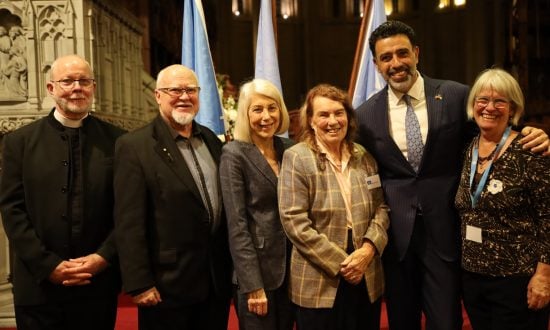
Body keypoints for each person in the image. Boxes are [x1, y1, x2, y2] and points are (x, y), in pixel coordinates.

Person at [355, 20, 550, 330]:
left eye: (402, 53)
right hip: (396, 240)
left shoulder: (457, 96)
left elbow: (492, 134)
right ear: (377, 65)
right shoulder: (364, 115)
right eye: (386, 57)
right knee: (400, 321)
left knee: (446, 322)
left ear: (416, 53)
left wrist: (530, 133)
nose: (396, 63)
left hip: (446, 233)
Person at [0, 54, 125, 330]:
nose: (76, 87)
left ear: (93, 87)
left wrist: (103, 257)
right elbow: (12, 210)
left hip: (97, 285)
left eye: (84, 81)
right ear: (51, 88)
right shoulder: (18, 143)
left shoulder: (118, 142)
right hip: (38, 286)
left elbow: (127, 210)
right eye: (67, 81)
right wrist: (48, 265)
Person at [113, 64, 232, 330]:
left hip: (214, 282)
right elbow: (128, 223)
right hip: (166, 285)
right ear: (158, 95)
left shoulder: (212, 140)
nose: (184, 96)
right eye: (175, 90)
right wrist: (139, 283)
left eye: (191, 90)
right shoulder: (135, 147)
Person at [278, 84, 389, 330]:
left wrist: (369, 250)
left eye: (339, 113)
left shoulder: (363, 156)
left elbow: (381, 208)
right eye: (323, 114)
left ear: (349, 117)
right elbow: (294, 221)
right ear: (311, 120)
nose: (333, 121)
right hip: (319, 278)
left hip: (366, 272)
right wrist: (344, 263)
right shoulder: (297, 157)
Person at [454, 68, 549, 330]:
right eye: (483, 100)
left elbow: (548, 218)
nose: (490, 107)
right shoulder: (467, 148)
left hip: (518, 280)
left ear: (513, 108)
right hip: (473, 279)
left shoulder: (531, 151)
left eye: (500, 101)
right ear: (473, 105)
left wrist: (544, 276)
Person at [219, 79, 294, 329]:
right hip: (258, 273)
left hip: (295, 270)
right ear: (245, 114)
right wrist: (252, 285)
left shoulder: (291, 149)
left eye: (272, 108)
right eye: (257, 109)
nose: (266, 116)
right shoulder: (234, 154)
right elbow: (237, 226)